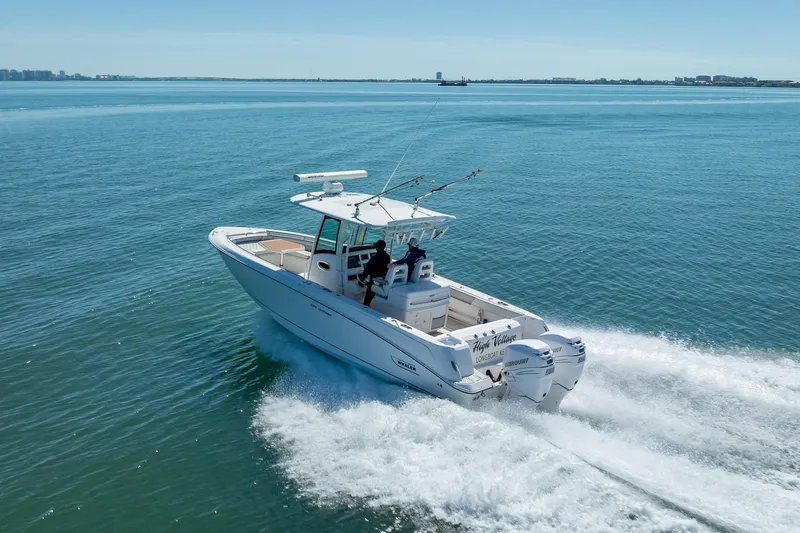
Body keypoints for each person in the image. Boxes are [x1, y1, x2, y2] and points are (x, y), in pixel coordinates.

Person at [358, 239, 391, 306]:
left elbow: (367, 269)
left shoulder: (374, 258)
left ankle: (365, 306)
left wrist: (362, 277)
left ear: (378, 248)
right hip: (384, 279)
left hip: (374, 281)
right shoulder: (387, 257)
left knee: (367, 298)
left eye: (376, 246)